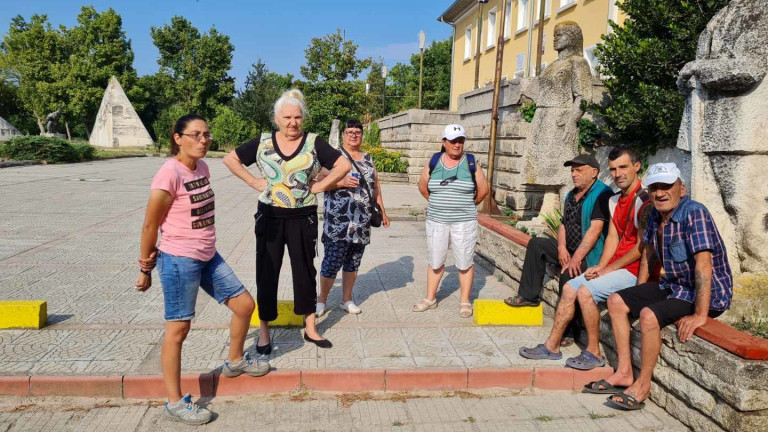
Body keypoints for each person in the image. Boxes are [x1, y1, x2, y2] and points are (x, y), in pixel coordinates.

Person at [136, 114, 269, 426]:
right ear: (177, 138)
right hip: (179, 258)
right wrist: (145, 268)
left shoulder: (203, 167)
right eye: (195, 135)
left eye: (207, 135)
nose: (203, 140)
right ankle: (174, 402)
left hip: (208, 255)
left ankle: (234, 361)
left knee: (244, 305)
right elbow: (150, 223)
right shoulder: (169, 174)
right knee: (178, 329)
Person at [223, 89, 351, 351]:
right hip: (269, 217)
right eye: (287, 117)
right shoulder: (263, 142)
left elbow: (343, 165)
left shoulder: (314, 142)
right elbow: (231, 159)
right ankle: (264, 331)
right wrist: (252, 180)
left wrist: (321, 185)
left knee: (304, 271)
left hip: (302, 218)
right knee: (266, 272)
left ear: (303, 118)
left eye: (297, 117)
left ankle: (311, 327)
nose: (293, 122)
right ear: (277, 119)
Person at [604, 163, 733, 410]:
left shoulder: (694, 212)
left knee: (648, 316)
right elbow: (648, 254)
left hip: (705, 293)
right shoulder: (655, 213)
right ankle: (624, 372)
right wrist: (638, 293)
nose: (659, 192)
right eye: (654, 187)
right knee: (616, 301)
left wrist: (700, 315)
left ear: (681, 188)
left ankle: (642, 386)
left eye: (666, 186)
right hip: (675, 285)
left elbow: (704, 265)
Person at [518, 148, 650, 372]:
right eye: (614, 169)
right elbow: (613, 236)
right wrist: (603, 266)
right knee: (570, 288)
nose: (617, 173)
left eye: (623, 167)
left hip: (633, 270)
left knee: (582, 289)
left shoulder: (643, 200)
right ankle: (552, 346)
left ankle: (593, 351)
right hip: (615, 265)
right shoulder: (615, 200)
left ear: (637, 167)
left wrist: (606, 268)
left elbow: (641, 248)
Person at [505, 154, 613, 347]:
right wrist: (562, 248)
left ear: (594, 172)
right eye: (572, 170)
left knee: (569, 272)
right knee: (536, 244)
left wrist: (574, 259)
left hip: (590, 254)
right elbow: (563, 225)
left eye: (579, 170)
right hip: (570, 248)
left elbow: (595, 231)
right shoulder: (571, 195)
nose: (574, 174)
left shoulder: (603, 194)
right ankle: (528, 296)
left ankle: (568, 331)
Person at [316, 120, 390, 316]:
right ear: (343, 135)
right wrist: (340, 182)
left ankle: (347, 299)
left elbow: (375, 186)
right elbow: (318, 181)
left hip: (361, 221)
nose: (353, 135)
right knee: (332, 261)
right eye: (350, 132)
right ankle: (321, 300)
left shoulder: (368, 158)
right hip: (337, 221)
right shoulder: (333, 157)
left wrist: (382, 209)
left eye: (357, 132)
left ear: (362, 135)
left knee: (353, 262)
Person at [414, 124, 489, 318]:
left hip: (463, 222)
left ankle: (465, 301)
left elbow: (483, 190)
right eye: (453, 141)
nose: (457, 145)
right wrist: (436, 202)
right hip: (436, 221)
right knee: (436, 260)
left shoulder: (471, 163)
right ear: (444, 142)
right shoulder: (434, 161)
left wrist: (468, 204)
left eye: (461, 141)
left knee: (464, 261)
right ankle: (430, 298)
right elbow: (423, 186)